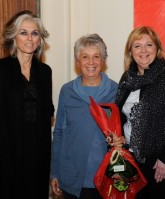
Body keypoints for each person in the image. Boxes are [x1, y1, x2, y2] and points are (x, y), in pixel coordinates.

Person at [0, 10, 54, 199]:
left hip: (38, 152)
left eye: (35, 33)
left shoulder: (44, 72)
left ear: (40, 39)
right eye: (23, 32)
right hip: (7, 151)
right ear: (13, 37)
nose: (30, 38)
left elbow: (47, 112)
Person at [115, 26, 165, 199]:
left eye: (148, 45)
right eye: (137, 46)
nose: (143, 50)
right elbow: (122, 117)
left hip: (164, 160)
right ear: (130, 51)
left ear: (157, 49)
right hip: (132, 158)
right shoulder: (126, 79)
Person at [50, 33, 122, 199]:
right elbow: (59, 132)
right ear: (78, 62)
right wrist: (54, 172)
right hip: (72, 177)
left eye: (96, 56)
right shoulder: (67, 91)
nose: (91, 62)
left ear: (103, 61)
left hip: (107, 176)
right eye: (85, 57)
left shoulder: (115, 90)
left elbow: (124, 131)